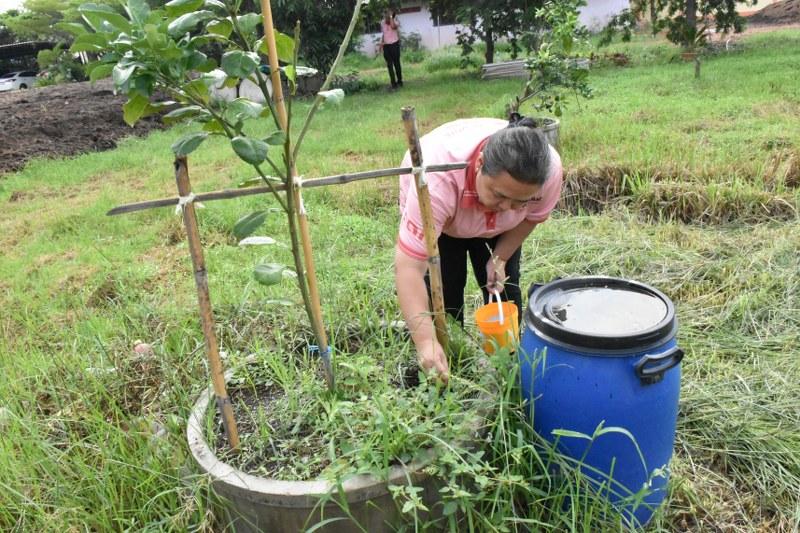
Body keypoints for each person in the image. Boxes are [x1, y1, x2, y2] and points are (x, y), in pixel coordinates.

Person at [395, 116, 563, 382]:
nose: (507, 207)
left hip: (494, 224)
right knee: (446, 292)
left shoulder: (548, 172)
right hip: (445, 222)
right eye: (499, 195)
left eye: (520, 201)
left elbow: (532, 217)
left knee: (505, 291)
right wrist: (425, 342)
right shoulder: (436, 181)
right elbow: (408, 268)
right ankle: (449, 361)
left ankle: (507, 369)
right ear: (481, 164)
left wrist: (500, 256)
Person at [380, 9, 403, 89]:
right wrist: (381, 44)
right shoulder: (382, 22)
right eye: (385, 14)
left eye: (388, 14)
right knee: (389, 65)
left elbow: (393, 27)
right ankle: (393, 83)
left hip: (394, 45)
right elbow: (384, 34)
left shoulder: (395, 21)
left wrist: (391, 18)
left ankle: (400, 81)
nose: (385, 16)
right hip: (386, 46)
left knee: (397, 64)